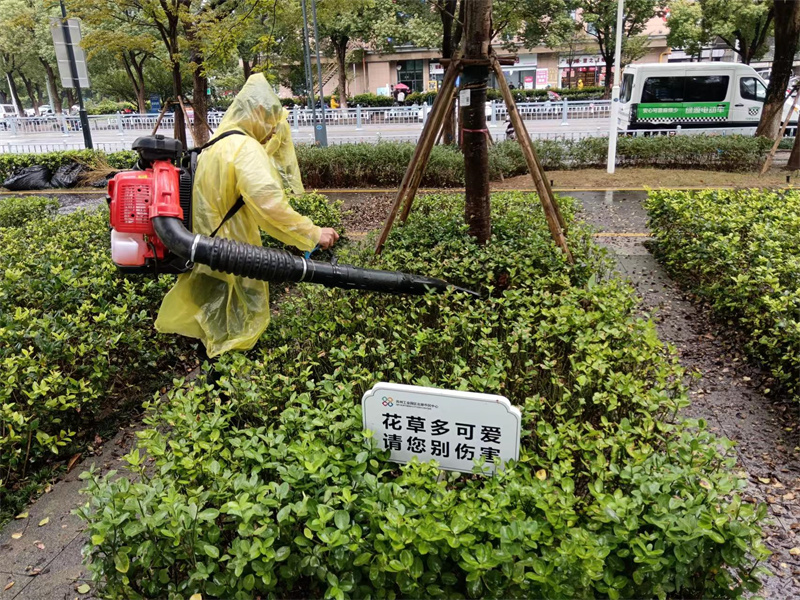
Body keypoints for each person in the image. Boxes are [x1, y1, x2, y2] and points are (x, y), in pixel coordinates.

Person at [155, 73, 339, 357]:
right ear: (258, 114)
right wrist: (314, 233)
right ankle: (230, 395)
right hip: (233, 261)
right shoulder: (245, 148)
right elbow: (269, 206)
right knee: (234, 342)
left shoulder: (216, 144)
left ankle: (213, 394)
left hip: (205, 258)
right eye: (271, 122)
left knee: (212, 340)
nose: (272, 133)